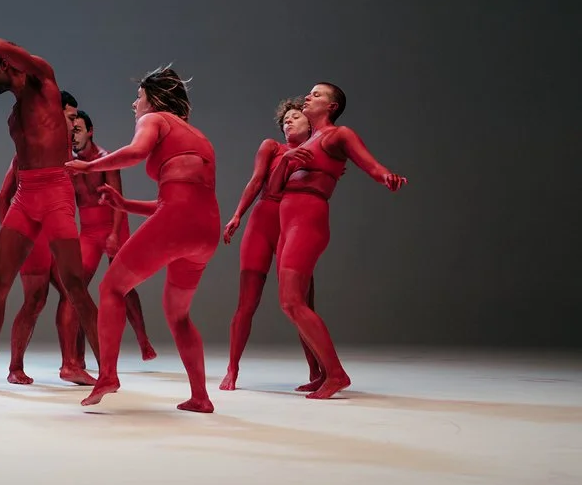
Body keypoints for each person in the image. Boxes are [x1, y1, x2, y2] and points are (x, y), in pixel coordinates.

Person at [65, 66, 219, 412]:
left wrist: (90, 166)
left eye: (137, 97)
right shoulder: (199, 136)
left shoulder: (155, 120)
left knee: (110, 289)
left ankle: (108, 375)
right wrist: (125, 204)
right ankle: (200, 397)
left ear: (151, 97)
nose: (134, 104)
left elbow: (136, 154)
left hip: (178, 223)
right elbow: (182, 201)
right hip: (205, 231)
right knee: (178, 315)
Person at [0, 39, 101, 391]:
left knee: (75, 286)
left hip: (55, 191)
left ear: (5, 65)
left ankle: (107, 373)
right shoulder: (14, 114)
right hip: (26, 195)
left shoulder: (44, 81)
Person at [266, 82, 407, 399]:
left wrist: (386, 176)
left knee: (291, 301)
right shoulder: (307, 142)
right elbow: (273, 192)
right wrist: (287, 163)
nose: (308, 96)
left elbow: (370, 164)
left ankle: (337, 374)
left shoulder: (337, 135)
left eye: (316, 94)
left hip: (308, 221)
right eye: (309, 93)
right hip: (288, 223)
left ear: (331, 106)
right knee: (293, 302)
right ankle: (325, 372)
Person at [219, 99, 321, 391]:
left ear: (310, 123)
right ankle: (232, 368)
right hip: (262, 223)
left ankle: (316, 371)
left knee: (302, 304)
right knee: (246, 303)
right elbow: (256, 182)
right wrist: (237, 214)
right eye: (285, 119)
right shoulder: (272, 147)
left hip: (293, 227)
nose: (288, 121)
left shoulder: (317, 150)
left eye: (296, 117)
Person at [2, 91, 99, 385]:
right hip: (35, 239)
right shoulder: (28, 154)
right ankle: (15, 367)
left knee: (72, 292)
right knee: (35, 299)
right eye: (70, 118)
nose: (73, 125)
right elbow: (2, 196)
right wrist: (13, 239)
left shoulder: (69, 157)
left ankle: (71, 363)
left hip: (56, 236)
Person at [60, 110, 156, 366]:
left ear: (90, 131)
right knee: (77, 289)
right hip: (89, 231)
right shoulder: (70, 163)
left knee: (125, 288)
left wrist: (114, 234)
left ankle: (143, 339)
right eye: (71, 131)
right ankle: (77, 358)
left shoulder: (105, 159)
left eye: (78, 130)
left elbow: (118, 200)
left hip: (114, 226)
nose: (73, 135)